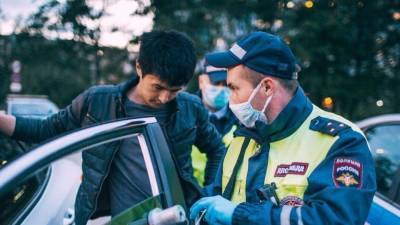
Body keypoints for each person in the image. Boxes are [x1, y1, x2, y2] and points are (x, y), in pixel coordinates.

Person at [0, 30, 225, 225]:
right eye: (158, 87)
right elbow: (46, 130)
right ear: (139, 67)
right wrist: (3, 121)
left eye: (175, 90)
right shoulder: (98, 102)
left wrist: (208, 194)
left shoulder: (191, 108)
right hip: (114, 220)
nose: (165, 98)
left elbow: (216, 150)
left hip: (173, 216)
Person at [190, 31, 376, 225]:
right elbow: (215, 199)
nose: (230, 99)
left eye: (234, 88)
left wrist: (241, 215)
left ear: (267, 87)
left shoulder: (341, 141)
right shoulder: (244, 139)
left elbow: (335, 219)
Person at [192, 63, 239, 185]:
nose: (221, 88)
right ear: (201, 81)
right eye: (215, 83)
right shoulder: (185, 114)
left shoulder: (243, 118)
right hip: (188, 198)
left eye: (226, 84)